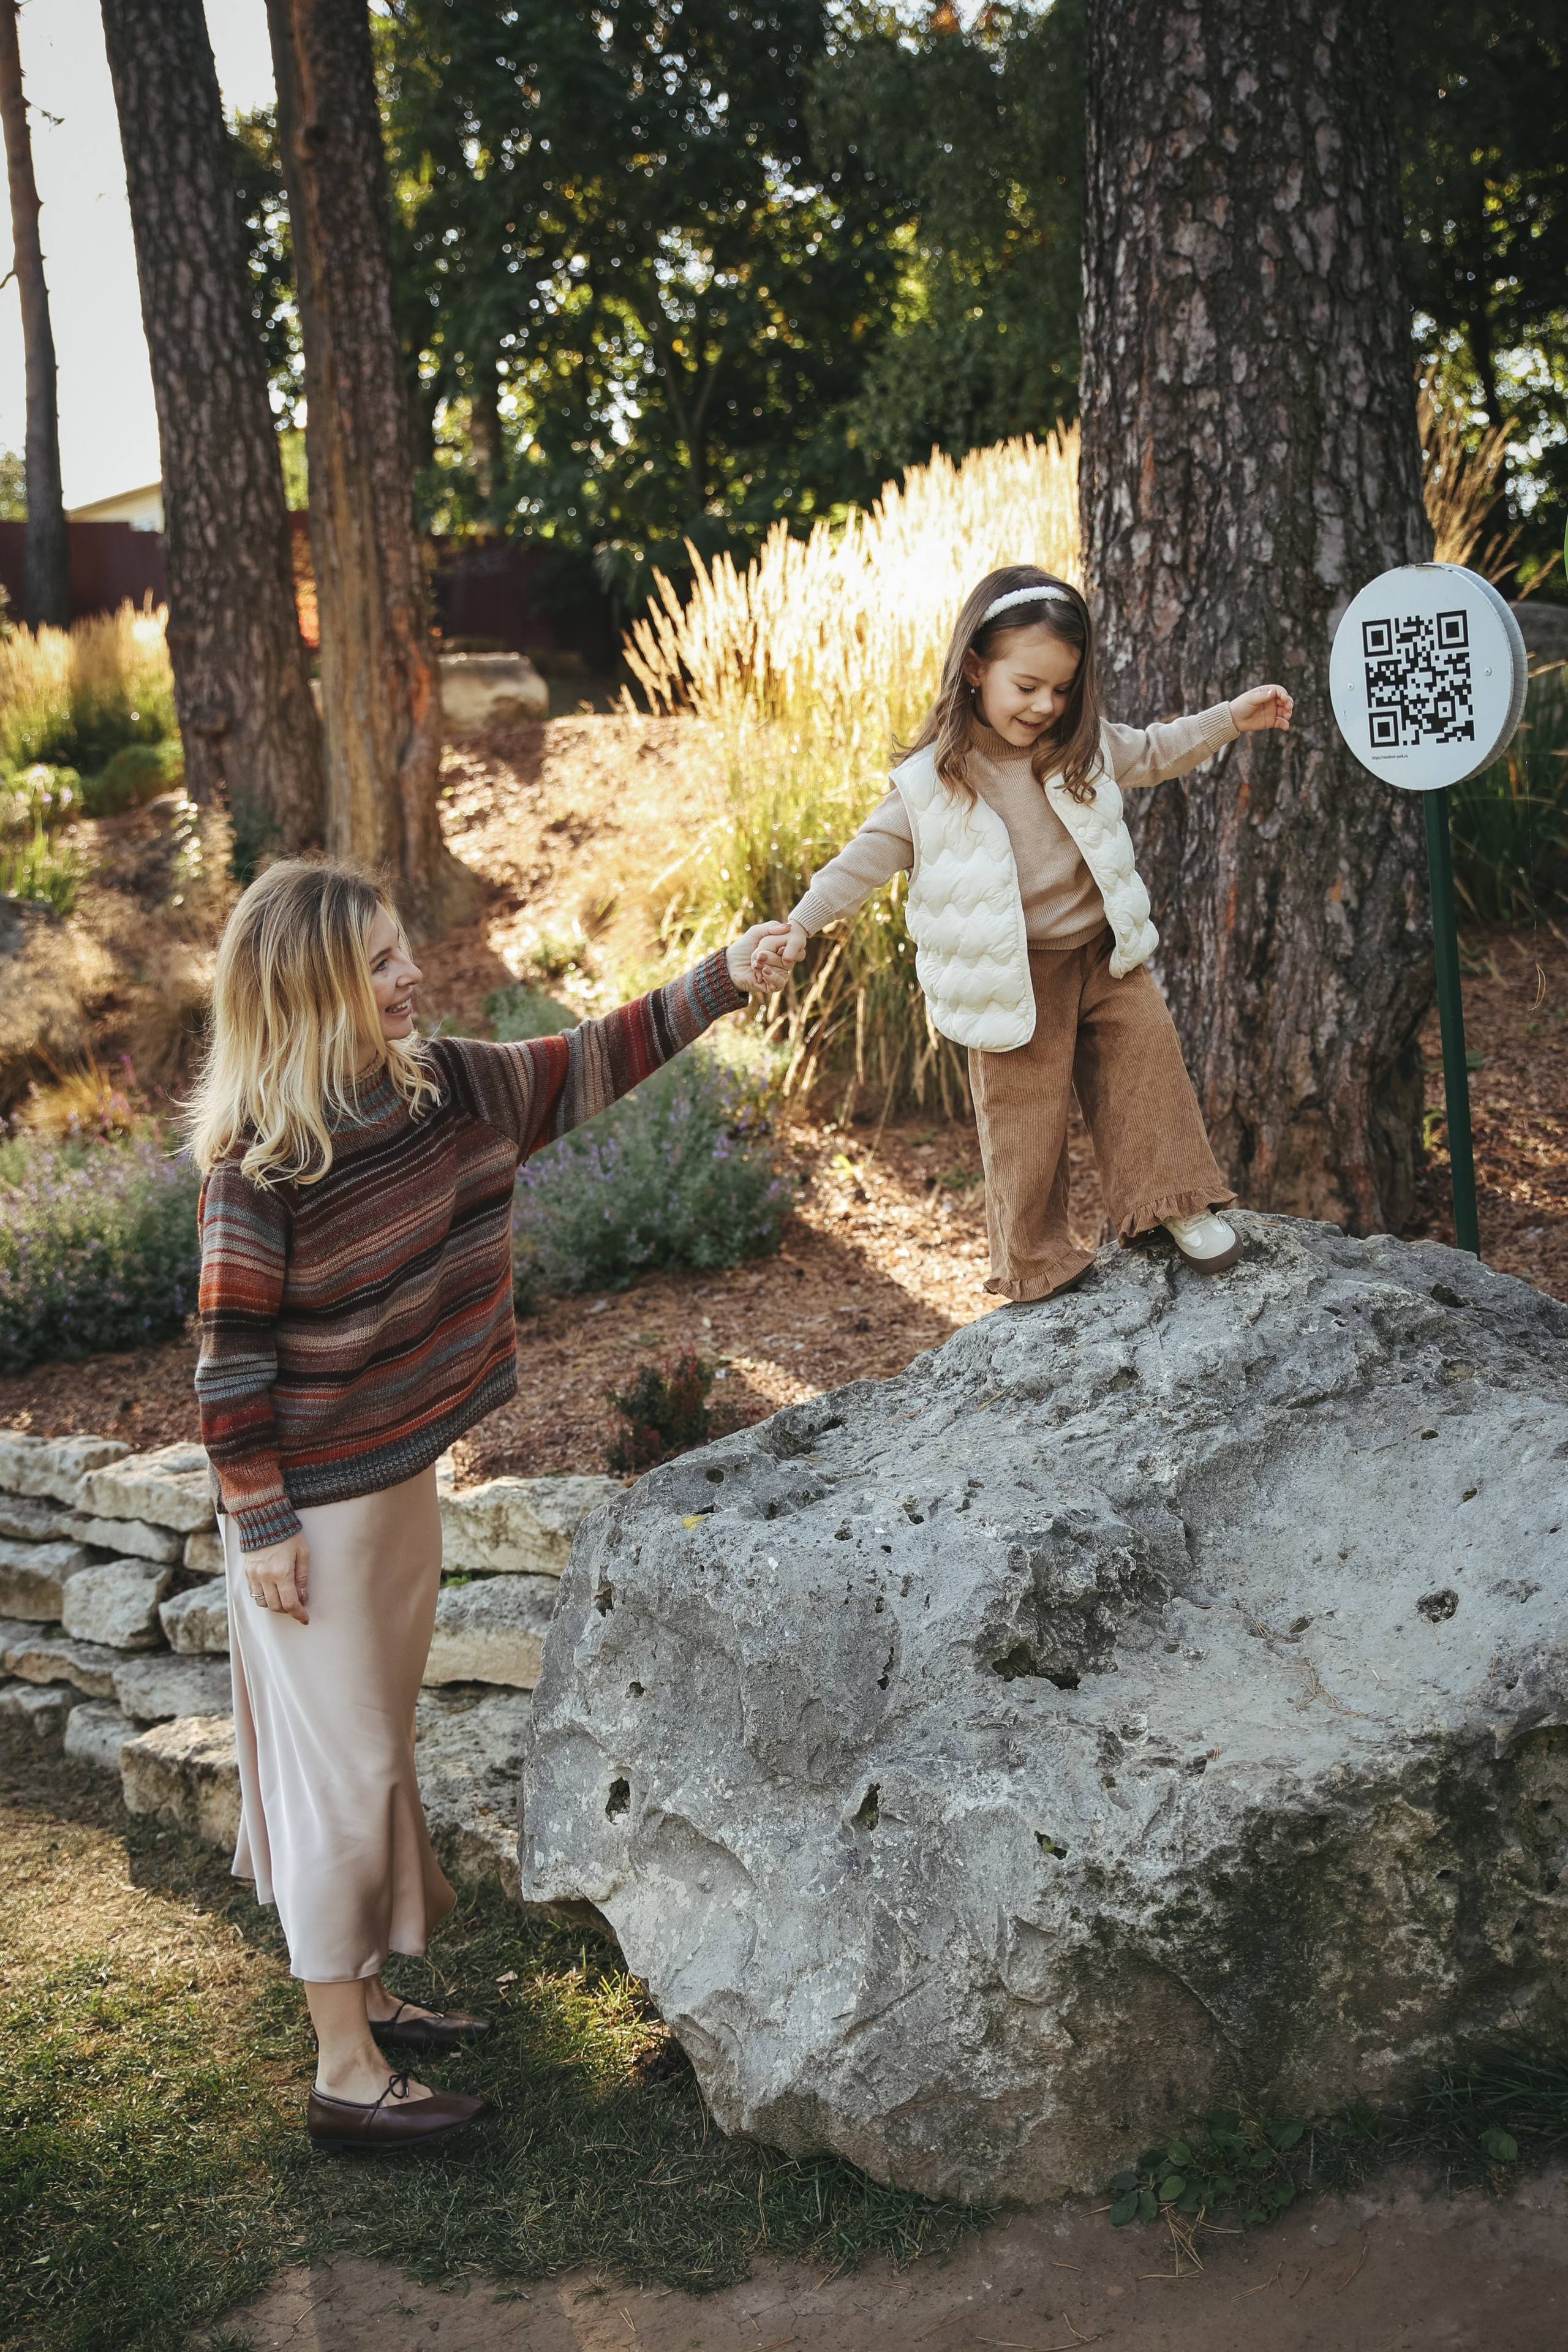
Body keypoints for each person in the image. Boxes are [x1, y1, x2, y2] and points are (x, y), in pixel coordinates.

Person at [187, 859, 775, 2152]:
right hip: (305, 1522)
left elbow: (587, 1060)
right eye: (380, 963)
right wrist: (263, 1522)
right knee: (342, 1775)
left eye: (403, 953)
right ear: (306, 992)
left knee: (373, 1750)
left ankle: (374, 1997)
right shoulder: (257, 1166)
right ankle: (344, 2072)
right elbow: (226, 1370)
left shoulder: (441, 1088)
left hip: (395, 1485)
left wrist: (721, 979)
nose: (410, 976)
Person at [750, 565, 1293, 1302]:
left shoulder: (1082, 748)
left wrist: (1232, 716)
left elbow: (1158, 752)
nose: (1045, 705)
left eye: (1062, 689)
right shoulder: (932, 781)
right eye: (1027, 686)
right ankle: (1035, 1260)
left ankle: (1175, 1204)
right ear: (975, 667)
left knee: (1147, 1067)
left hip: (1103, 954)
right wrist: (801, 924)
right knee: (1023, 1121)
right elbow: (865, 859)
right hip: (1009, 972)